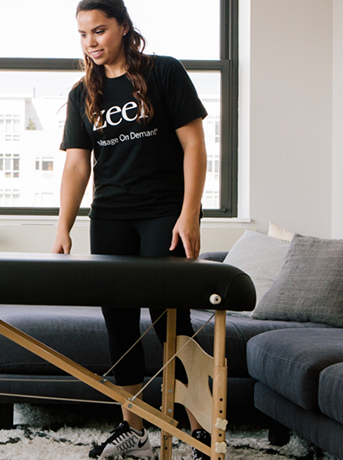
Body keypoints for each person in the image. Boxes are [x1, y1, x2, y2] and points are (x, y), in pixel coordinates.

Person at [51, 1, 211, 459]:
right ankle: (134, 428)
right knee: (118, 321)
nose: (92, 42)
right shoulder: (84, 92)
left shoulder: (164, 72)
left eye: (99, 30)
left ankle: (198, 429)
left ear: (123, 27)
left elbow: (194, 143)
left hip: (163, 212)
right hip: (110, 216)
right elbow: (77, 165)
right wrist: (64, 226)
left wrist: (189, 212)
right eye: (83, 35)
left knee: (171, 320)